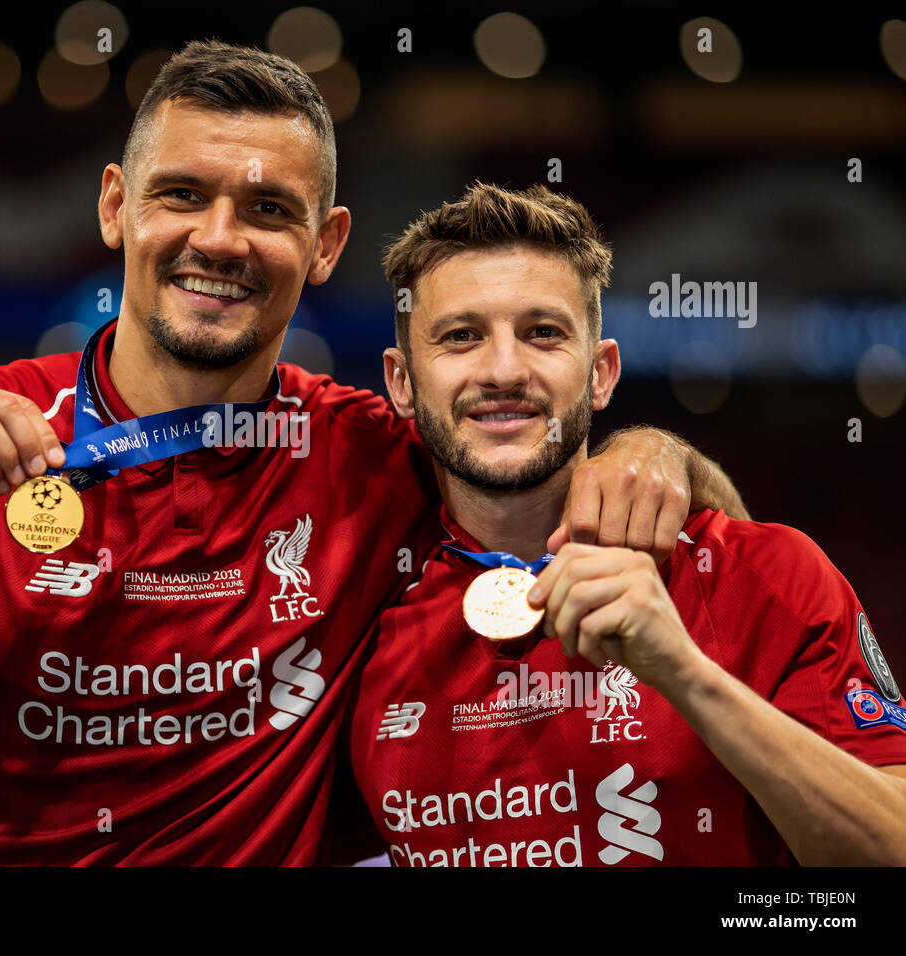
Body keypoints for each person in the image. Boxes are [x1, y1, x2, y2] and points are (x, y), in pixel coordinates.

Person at [0, 43, 743, 866]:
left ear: (324, 246)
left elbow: (671, 524)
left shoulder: (378, 454)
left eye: (268, 208)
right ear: (117, 207)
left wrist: (648, 447)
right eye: (184, 194)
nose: (219, 237)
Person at [345, 181, 906, 866]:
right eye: (461, 337)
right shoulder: (359, 618)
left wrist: (684, 672)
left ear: (602, 372)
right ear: (401, 383)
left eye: (543, 333)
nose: (503, 369)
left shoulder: (765, 573)